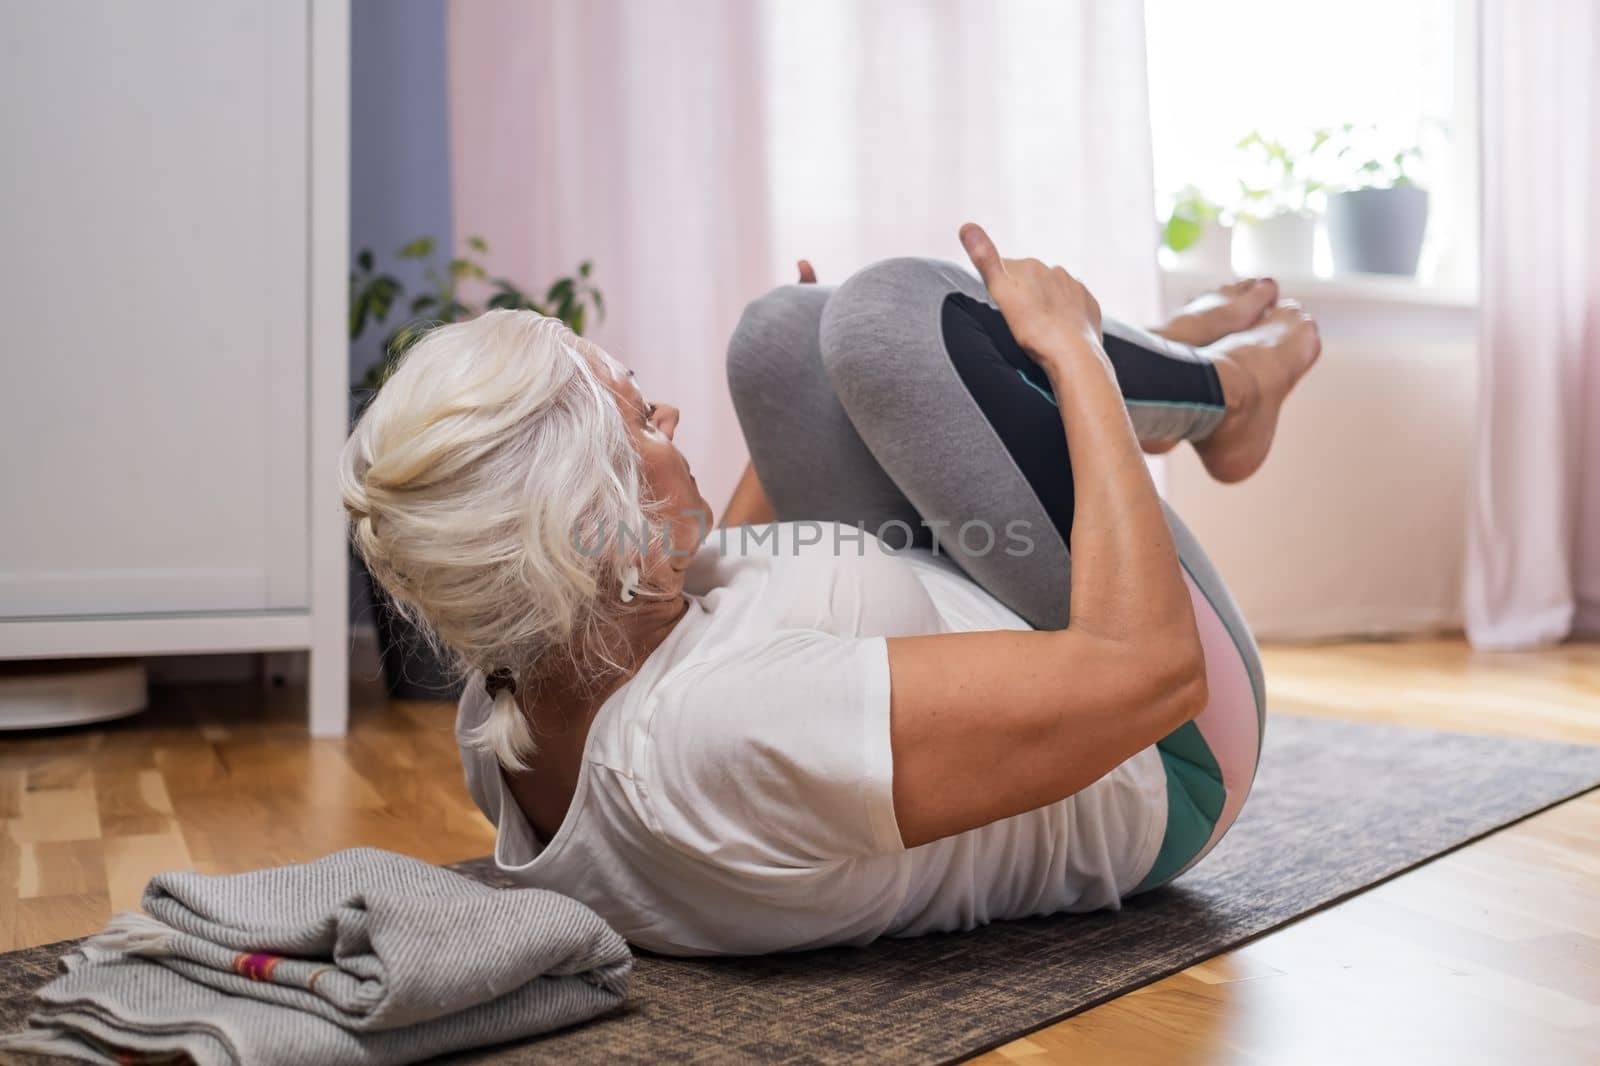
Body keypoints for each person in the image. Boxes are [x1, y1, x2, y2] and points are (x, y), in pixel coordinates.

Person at [340, 224, 1321, 957]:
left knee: (782, 337)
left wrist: (790, 398)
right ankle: (1233, 387)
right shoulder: (724, 737)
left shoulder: (513, 707)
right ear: (608, 536)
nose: (668, 411)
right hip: (1164, 748)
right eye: (640, 416)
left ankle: (1176, 352)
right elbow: (1146, 670)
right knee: (893, 321)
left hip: (975, 606)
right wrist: (1077, 353)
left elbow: (733, 604)